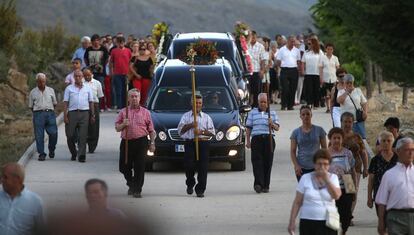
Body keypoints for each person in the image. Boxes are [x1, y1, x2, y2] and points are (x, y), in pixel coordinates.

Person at [288, 149, 342, 235]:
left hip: (328, 221)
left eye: (325, 164)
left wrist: (326, 180)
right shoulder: (305, 178)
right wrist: (292, 221)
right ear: (314, 164)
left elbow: (336, 196)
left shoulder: (333, 178)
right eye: (319, 164)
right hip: (308, 221)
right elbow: (297, 202)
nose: (322, 167)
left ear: (329, 165)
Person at [115, 89, 156, 198]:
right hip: (127, 142)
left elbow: (151, 130)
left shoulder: (146, 112)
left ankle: (137, 190)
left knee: (139, 167)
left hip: (141, 142)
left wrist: (152, 143)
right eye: (132, 97)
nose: (134, 99)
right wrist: (123, 124)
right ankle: (131, 183)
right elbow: (117, 128)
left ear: (139, 98)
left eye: (136, 97)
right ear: (128, 99)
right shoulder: (123, 112)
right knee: (123, 167)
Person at [177, 94, 215, 198]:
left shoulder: (206, 117)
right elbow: (180, 131)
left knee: (203, 168)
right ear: (191, 103)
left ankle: (200, 190)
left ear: (202, 104)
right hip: (190, 143)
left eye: (199, 103)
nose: (197, 105)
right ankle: (190, 183)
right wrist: (190, 125)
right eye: (195, 103)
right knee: (189, 165)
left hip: (203, 143)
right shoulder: (185, 116)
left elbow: (212, 132)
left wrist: (201, 131)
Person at [376, 137, 414, 235]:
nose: (411, 153)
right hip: (395, 217)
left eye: (412, 150)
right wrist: (381, 222)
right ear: (398, 151)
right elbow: (382, 201)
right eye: (407, 150)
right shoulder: (389, 174)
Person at [245, 93, 280, 193]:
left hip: (268, 139)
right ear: (258, 102)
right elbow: (248, 128)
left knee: (268, 162)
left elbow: (277, 128)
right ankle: (258, 184)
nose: (263, 104)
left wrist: (272, 124)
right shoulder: (252, 112)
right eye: (261, 102)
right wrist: (248, 141)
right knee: (257, 162)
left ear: (268, 103)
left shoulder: (272, 113)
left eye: (265, 102)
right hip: (256, 139)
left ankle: (266, 185)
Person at [0, 163, 45, 235]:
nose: (1, 180)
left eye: (5, 177)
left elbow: (41, 230)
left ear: (17, 179)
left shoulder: (35, 202)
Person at [340, 112, 368, 225]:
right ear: (341, 122)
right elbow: (329, 151)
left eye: (349, 122)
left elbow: (363, 153)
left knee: (352, 192)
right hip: (340, 169)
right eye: (345, 121)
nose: (347, 124)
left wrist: (366, 168)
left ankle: (348, 216)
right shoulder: (337, 135)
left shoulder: (357, 137)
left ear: (353, 123)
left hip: (355, 168)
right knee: (343, 192)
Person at [327, 127, 356, 235]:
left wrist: (353, 189)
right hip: (331, 189)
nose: (336, 140)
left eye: (339, 138)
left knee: (346, 216)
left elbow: (352, 171)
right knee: (333, 215)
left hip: (346, 186)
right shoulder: (326, 153)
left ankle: (343, 231)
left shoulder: (347, 153)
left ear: (342, 139)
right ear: (330, 139)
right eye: (334, 138)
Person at [63, 69, 95, 162]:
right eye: (76, 76)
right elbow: (65, 103)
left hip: (84, 113)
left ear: (82, 77)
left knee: (83, 136)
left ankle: (81, 155)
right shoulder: (69, 88)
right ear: (73, 77)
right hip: (72, 113)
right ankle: (74, 153)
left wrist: (92, 115)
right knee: (70, 135)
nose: (77, 78)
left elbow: (91, 102)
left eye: (79, 76)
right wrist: (65, 116)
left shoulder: (87, 88)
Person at [290, 105, 327, 181]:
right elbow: (293, 151)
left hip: (317, 167)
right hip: (301, 168)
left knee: (316, 191)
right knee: (305, 191)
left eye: (308, 114)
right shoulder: (295, 132)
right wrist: (296, 166)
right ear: (300, 116)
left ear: (311, 115)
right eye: (303, 114)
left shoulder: (320, 130)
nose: (306, 116)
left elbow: (324, 149)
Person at [28, 73, 58, 161]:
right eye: (40, 82)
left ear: (46, 81)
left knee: (53, 133)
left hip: (50, 114)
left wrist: (50, 111)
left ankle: (51, 149)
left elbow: (55, 103)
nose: (42, 83)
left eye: (43, 81)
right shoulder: (33, 92)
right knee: (39, 136)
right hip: (38, 114)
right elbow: (31, 106)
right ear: (37, 82)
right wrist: (37, 113)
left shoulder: (51, 90)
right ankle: (41, 153)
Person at [367, 131, 398, 215]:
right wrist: (369, 197)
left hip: (395, 195)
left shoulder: (398, 159)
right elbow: (371, 180)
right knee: (382, 220)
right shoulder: (375, 160)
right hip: (380, 195)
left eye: (389, 141)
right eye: (383, 141)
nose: (386, 143)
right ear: (379, 142)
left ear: (393, 142)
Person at [336, 74, 368, 139]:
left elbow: (364, 102)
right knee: (347, 139)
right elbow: (339, 101)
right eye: (347, 83)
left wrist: (365, 112)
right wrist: (346, 92)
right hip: (346, 122)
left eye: (351, 82)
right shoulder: (341, 91)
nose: (349, 84)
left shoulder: (358, 90)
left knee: (361, 139)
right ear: (344, 83)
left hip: (358, 120)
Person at [276, 35, 301, 110]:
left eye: (294, 42)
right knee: (285, 88)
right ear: (288, 41)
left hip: (294, 70)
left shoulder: (297, 50)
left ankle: (290, 105)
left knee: (293, 88)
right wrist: (281, 67)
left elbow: (298, 61)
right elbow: (278, 61)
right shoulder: (282, 50)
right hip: (284, 70)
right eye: (291, 41)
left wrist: (299, 70)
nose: (293, 43)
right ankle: (284, 104)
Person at [83, 67, 104, 153]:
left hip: (94, 105)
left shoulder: (97, 83)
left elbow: (100, 96)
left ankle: (92, 146)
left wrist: (98, 108)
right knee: (84, 125)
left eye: (88, 75)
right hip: (84, 105)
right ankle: (83, 143)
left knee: (94, 126)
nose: (87, 77)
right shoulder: (81, 83)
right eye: (85, 75)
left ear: (92, 74)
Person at [110, 36, 132, 109]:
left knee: (125, 91)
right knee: (118, 91)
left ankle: (125, 106)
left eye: (122, 42)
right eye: (119, 43)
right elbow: (111, 62)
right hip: (117, 74)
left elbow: (130, 62)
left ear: (124, 43)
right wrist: (111, 72)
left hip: (126, 73)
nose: (121, 44)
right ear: (117, 43)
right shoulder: (114, 51)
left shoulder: (128, 51)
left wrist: (129, 73)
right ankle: (119, 106)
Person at [301, 38, 324, 109]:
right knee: (309, 89)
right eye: (308, 44)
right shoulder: (306, 52)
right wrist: (302, 70)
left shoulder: (319, 52)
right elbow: (303, 62)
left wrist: (321, 76)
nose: (308, 45)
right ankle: (309, 103)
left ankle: (316, 104)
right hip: (308, 73)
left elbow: (321, 65)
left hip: (316, 73)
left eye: (310, 44)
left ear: (314, 44)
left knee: (316, 89)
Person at [84, 34, 109, 98]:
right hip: (90, 72)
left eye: (97, 40)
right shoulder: (89, 49)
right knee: (90, 87)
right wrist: (88, 66)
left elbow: (107, 59)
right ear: (92, 42)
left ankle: (101, 105)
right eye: (94, 40)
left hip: (101, 73)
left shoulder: (103, 49)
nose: (96, 42)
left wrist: (102, 65)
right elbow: (85, 58)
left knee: (100, 88)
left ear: (99, 41)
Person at [319, 43, 340, 113]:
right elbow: (321, 69)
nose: (329, 51)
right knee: (327, 95)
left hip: (333, 78)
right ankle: (328, 107)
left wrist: (338, 78)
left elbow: (337, 68)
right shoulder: (322, 58)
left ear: (333, 50)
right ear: (326, 49)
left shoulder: (335, 58)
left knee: (333, 94)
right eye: (328, 49)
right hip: (325, 78)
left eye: (331, 49)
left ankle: (332, 107)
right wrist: (321, 78)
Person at [247, 31, 266, 108]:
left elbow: (263, 60)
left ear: (256, 37)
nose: (252, 39)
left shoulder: (260, 46)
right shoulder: (246, 46)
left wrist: (262, 70)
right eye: (251, 37)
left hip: (256, 70)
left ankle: (256, 105)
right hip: (248, 72)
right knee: (248, 90)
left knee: (257, 90)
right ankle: (248, 105)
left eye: (254, 37)